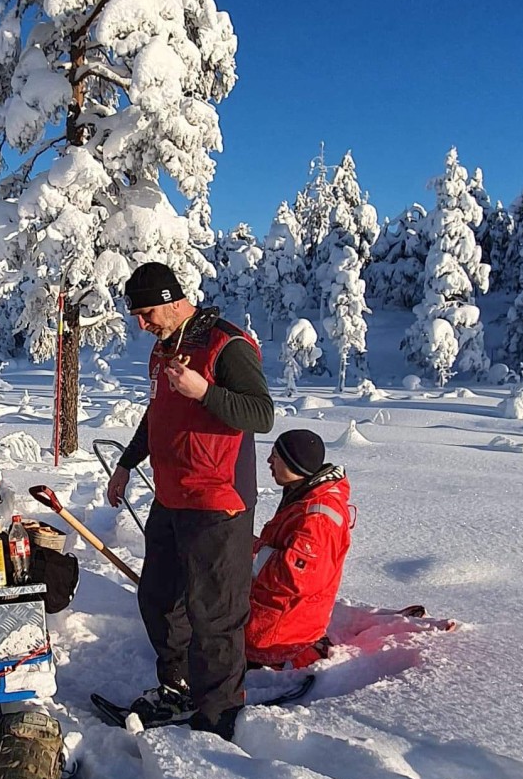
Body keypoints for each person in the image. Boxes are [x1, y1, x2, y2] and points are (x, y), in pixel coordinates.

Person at [106, 262, 274, 737]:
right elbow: (158, 411)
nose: (142, 325)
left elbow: (261, 414)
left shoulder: (227, 344)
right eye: (136, 315)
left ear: (174, 300)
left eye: (147, 313)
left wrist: (204, 391)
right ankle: (176, 685)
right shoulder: (164, 350)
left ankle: (218, 713)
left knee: (214, 611)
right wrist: (127, 463)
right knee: (159, 598)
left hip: (219, 501)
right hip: (173, 495)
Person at [247, 427, 354, 672]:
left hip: (278, 639)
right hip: (273, 623)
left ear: (295, 463)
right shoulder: (302, 494)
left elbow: (296, 576)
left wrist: (249, 550)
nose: (269, 460)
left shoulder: (317, 517)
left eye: (276, 455)